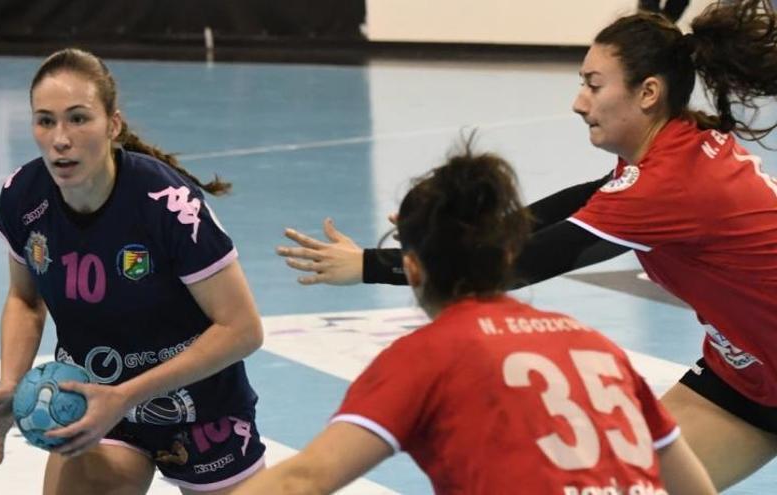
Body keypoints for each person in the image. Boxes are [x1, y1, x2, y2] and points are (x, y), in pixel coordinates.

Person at [275, 0, 777, 490]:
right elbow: (566, 208)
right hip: (746, 379)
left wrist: (377, 263)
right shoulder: (668, 149)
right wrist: (456, 231)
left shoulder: (667, 185)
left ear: (648, 92)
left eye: (593, 85)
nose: (579, 101)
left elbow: (518, 265)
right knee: (621, 483)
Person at [239, 147, 715, 494]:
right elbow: (694, 488)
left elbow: (302, 480)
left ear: (412, 270)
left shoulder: (430, 355)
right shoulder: (594, 346)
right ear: (509, 254)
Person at [0, 48, 266, 495]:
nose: (60, 138)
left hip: (201, 406)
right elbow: (26, 300)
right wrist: (12, 382)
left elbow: (242, 330)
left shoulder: (167, 205)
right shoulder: (24, 197)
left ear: (113, 124)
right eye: (45, 121)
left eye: (78, 119)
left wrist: (126, 396)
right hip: (93, 401)